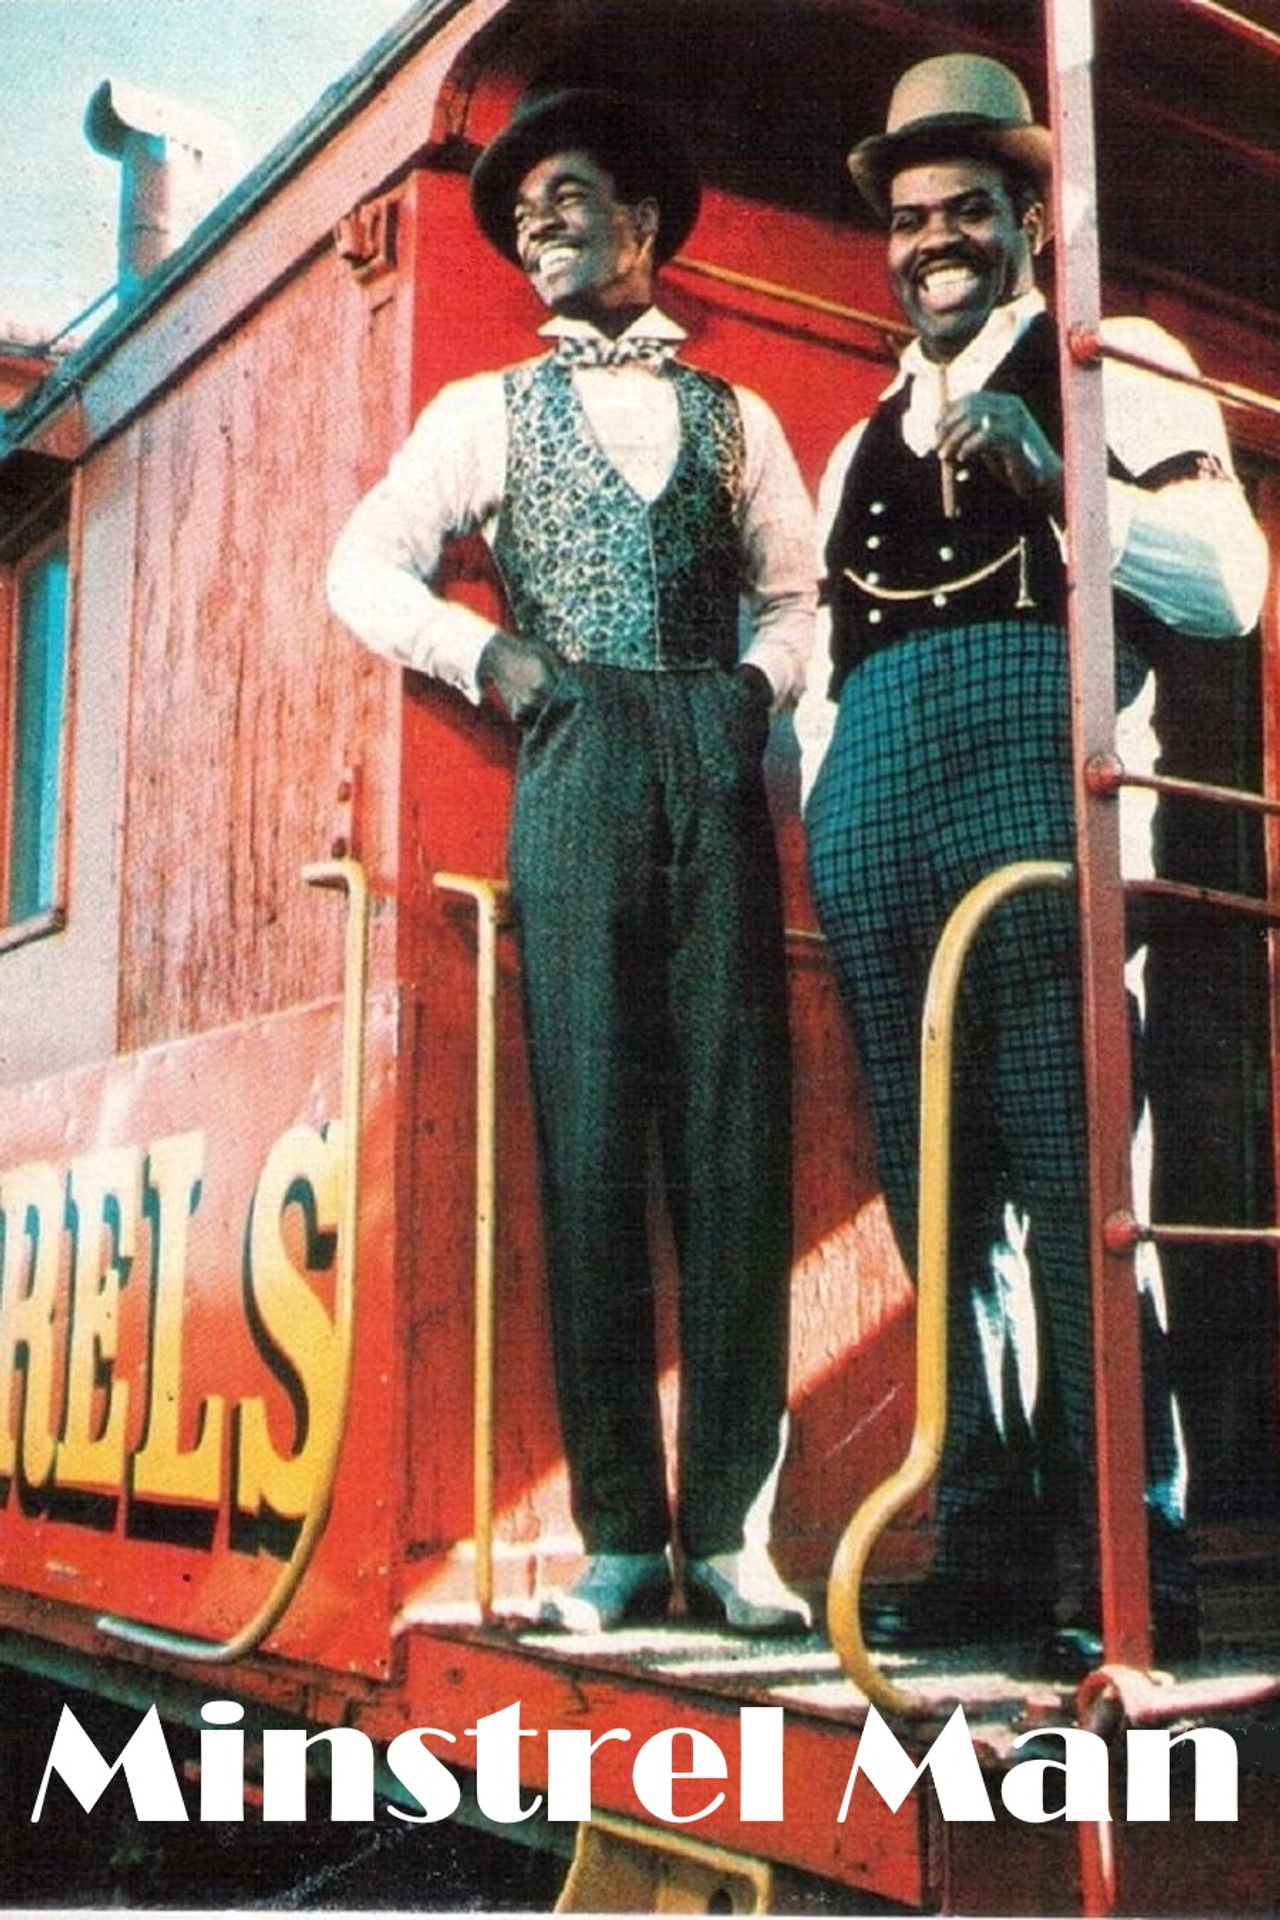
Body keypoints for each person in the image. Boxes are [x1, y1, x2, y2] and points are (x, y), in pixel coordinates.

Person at [799, 54, 1268, 1673]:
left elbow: (1231, 587)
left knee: (1077, 1183)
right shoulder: (858, 438)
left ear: (1030, 223)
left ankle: (1132, 1557)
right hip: (876, 819)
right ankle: (987, 1545)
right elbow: (826, 667)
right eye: (908, 218)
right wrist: (832, 805)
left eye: (966, 211)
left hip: (1035, 793)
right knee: (941, 1200)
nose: (932, 240)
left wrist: (1067, 480)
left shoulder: (1115, 360)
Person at [328, 89, 814, 1635]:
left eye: (569, 200)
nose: (541, 227)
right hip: (575, 764)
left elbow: (801, 600)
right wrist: (488, 659)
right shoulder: (482, 409)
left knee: (733, 1147)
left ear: (641, 225)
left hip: (715, 763)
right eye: (524, 211)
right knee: (592, 1142)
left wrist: (754, 691)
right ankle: (620, 1538)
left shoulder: (741, 419)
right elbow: (360, 566)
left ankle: (728, 1536)